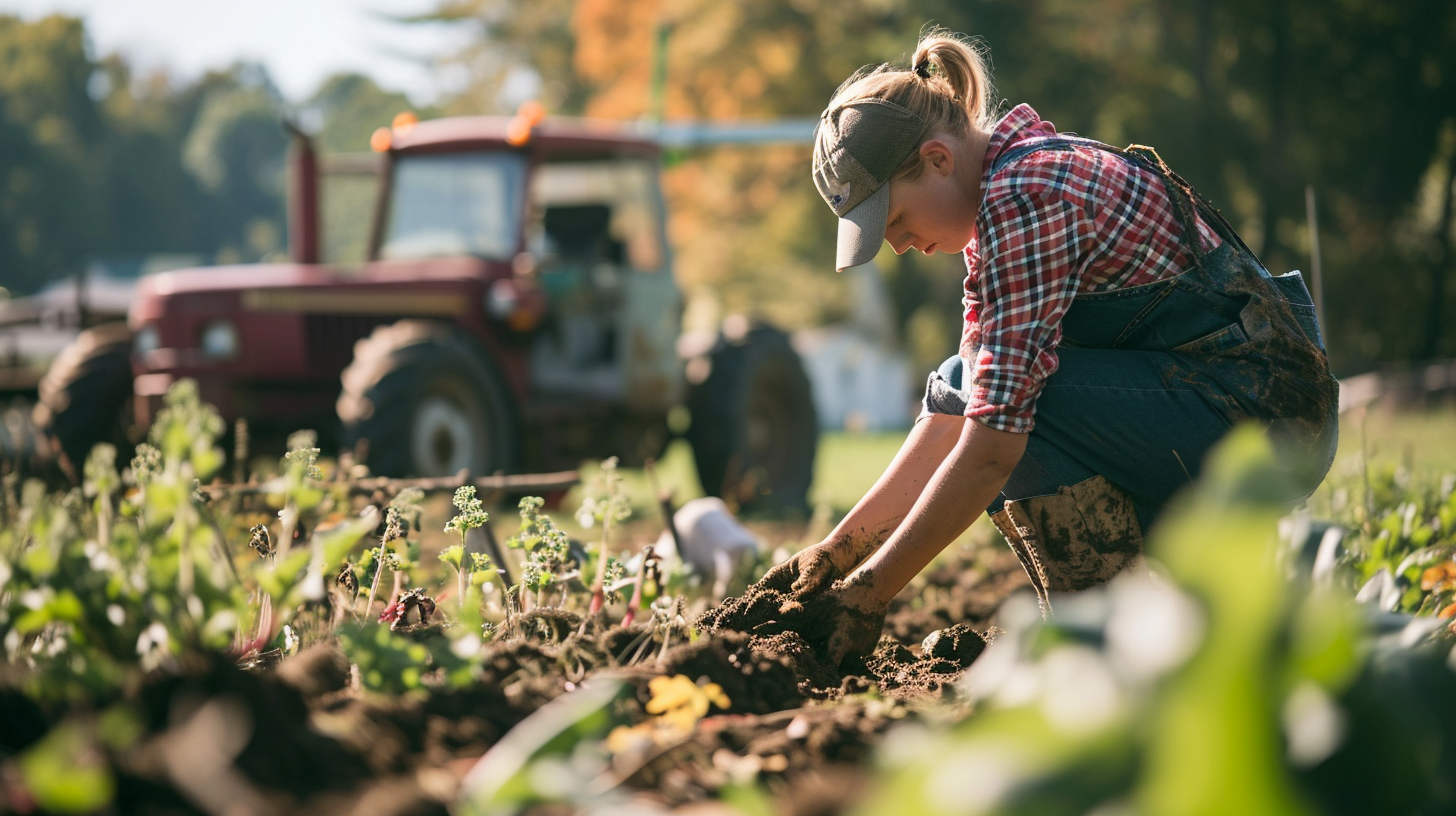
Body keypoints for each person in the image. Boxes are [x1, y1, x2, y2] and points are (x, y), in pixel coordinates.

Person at [767, 28, 1340, 665]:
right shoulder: (1000, 201)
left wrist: (871, 594)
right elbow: (958, 407)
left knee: (1016, 414)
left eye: (895, 220)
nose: (898, 245)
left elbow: (990, 444)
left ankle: (1104, 645)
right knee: (970, 378)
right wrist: (831, 557)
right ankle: (1122, 636)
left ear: (937, 159)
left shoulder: (1027, 196)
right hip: (1204, 406)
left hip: (1264, 422)